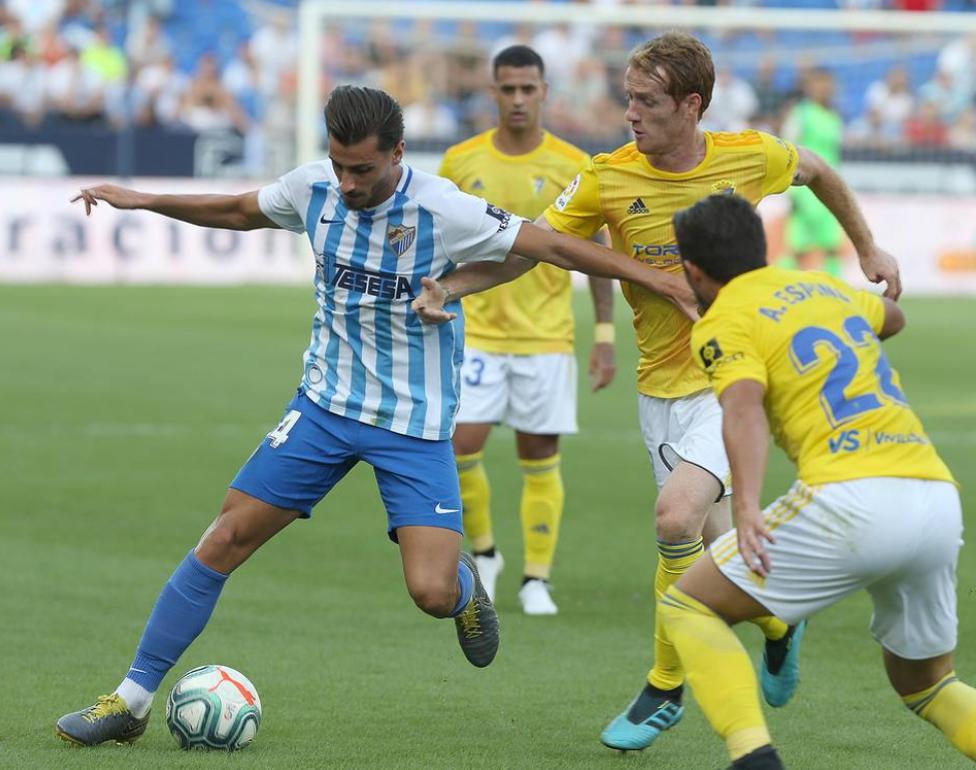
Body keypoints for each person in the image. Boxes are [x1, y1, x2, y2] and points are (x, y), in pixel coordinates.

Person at [53, 84, 695, 747]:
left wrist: (660, 281)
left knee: (429, 591)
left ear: (397, 153)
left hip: (413, 427)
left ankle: (462, 588)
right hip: (323, 408)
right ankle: (130, 701)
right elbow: (239, 209)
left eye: (362, 169)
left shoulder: (442, 208)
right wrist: (145, 199)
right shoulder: (314, 190)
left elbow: (552, 246)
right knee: (223, 539)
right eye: (339, 166)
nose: (348, 182)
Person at [411, 31, 901, 753]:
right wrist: (452, 286)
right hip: (659, 389)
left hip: (733, 377)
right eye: (628, 99)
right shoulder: (607, 178)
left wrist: (867, 247)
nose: (630, 114)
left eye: (647, 102)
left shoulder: (748, 156)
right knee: (714, 546)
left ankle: (664, 687)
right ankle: (776, 619)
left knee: (674, 520)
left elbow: (821, 171)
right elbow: (531, 250)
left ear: (691, 105)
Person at [658, 192, 976, 770]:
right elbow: (893, 317)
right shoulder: (823, 287)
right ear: (761, 248)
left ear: (692, 271)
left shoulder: (721, 323)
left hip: (850, 499)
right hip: (934, 496)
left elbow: (740, 410)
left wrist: (744, 509)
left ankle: (753, 756)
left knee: (688, 606)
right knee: (928, 685)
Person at [439, 45, 617, 615]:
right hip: (478, 333)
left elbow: (597, 251)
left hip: (546, 335)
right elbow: (437, 238)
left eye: (528, 89)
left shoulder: (573, 163)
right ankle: (486, 553)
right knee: (460, 446)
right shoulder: (461, 161)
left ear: (544, 92)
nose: (517, 99)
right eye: (507, 89)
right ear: (492, 92)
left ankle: (536, 578)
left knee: (539, 452)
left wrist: (607, 336)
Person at [781, 67, 844, 274]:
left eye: (828, 84)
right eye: (819, 83)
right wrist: (789, 188)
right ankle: (781, 287)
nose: (824, 88)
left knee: (832, 246)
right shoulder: (801, 114)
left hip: (831, 187)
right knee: (797, 248)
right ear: (810, 87)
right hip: (804, 189)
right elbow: (785, 148)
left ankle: (836, 293)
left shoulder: (835, 117)